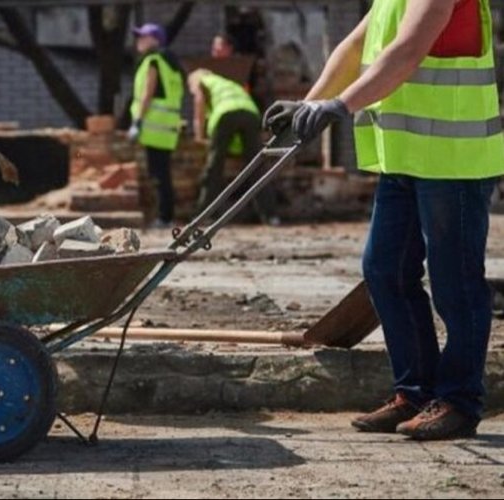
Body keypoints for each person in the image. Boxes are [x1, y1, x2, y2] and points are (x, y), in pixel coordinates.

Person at [266, 0, 501, 440]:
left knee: (456, 284)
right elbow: (355, 47)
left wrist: (341, 105)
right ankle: (415, 393)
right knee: (384, 270)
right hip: (406, 158)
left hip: (454, 162)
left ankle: (459, 401)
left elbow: (408, 50)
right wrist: (309, 104)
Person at [189, 68, 274, 223]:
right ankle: (270, 215)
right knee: (256, 165)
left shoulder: (201, 81)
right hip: (251, 113)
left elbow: (199, 104)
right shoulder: (228, 83)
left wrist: (199, 135)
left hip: (225, 114)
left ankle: (203, 213)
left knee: (214, 166)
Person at [128, 23, 185, 228]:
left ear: (156, 40)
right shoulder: (172, 64)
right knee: (162, 172)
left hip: (154, 126)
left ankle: (165, 217)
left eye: (144, 37)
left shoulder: (153, 61)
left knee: (159, 174)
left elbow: (147, 93)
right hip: (167, 127)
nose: (139, 41)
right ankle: (165, 216)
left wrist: (137, 121)